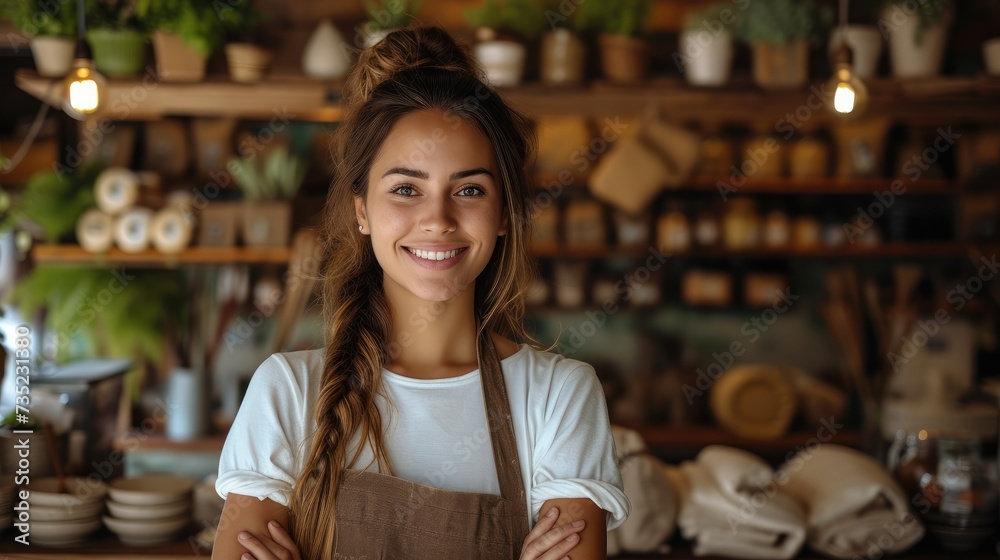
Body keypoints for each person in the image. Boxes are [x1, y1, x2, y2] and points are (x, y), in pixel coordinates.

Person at [213, 26, 629, 560]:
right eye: (406, 189)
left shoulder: (558, 398)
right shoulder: (288, 392)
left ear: (503, 214)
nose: (437, 219)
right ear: (362, 210)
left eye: (470, 189)